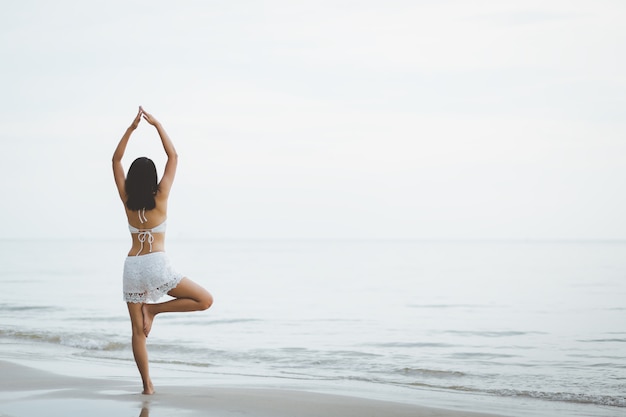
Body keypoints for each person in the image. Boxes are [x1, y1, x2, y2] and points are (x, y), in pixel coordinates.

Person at [112, 106, 213, 395]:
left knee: (136, 333)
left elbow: (116, 159)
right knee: (205, 300)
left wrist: (131, 129)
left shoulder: (126, 197)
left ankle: (147, 387)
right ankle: (155, 310)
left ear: (132, 178)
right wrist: (156, 125)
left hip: (132, 266)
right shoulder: (162, 195)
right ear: (153, 177)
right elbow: (174, 156)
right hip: (156, 264)